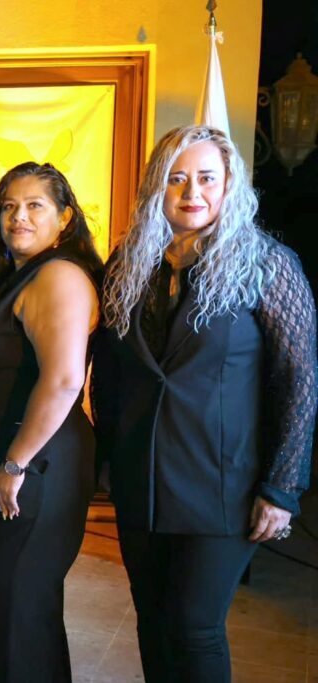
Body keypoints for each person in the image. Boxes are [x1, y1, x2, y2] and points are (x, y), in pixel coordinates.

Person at [92, 125, 317, 683]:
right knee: (152, 621)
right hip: (141, 480)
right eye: (177, 178)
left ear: (229, 185)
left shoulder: (268, 263)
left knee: (194, 627)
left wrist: (281, 488)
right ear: (156, 187)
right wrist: (106, 458)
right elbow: (111, 373)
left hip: (224, 485)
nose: (192, 192)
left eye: (207, 178)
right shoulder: (128, 261)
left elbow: (299, 381)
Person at [0, 162, 102, 682]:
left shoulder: (58, 275)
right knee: (20, 609)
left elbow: (63, 380)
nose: (18, 216)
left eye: (35, 205)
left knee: (18, 610)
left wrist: (14, 464)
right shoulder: (20, 274)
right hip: (19, 465)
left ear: (64, 218)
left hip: (36, 469)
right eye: (9, 207)